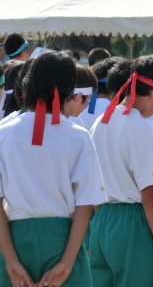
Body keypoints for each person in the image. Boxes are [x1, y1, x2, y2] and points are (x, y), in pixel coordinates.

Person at [0, 52, 107, 287]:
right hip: (64, 239)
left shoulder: (3, 133)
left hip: (14, 239)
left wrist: (10, 261)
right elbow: (85, 204)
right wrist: (67, 263)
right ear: (69, 88)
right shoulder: (78, 136)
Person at [90, 55, 153, 286]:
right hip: (133, 223)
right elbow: (150, 197)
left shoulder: (101, 122)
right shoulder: (143, 129)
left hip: (102, 221)